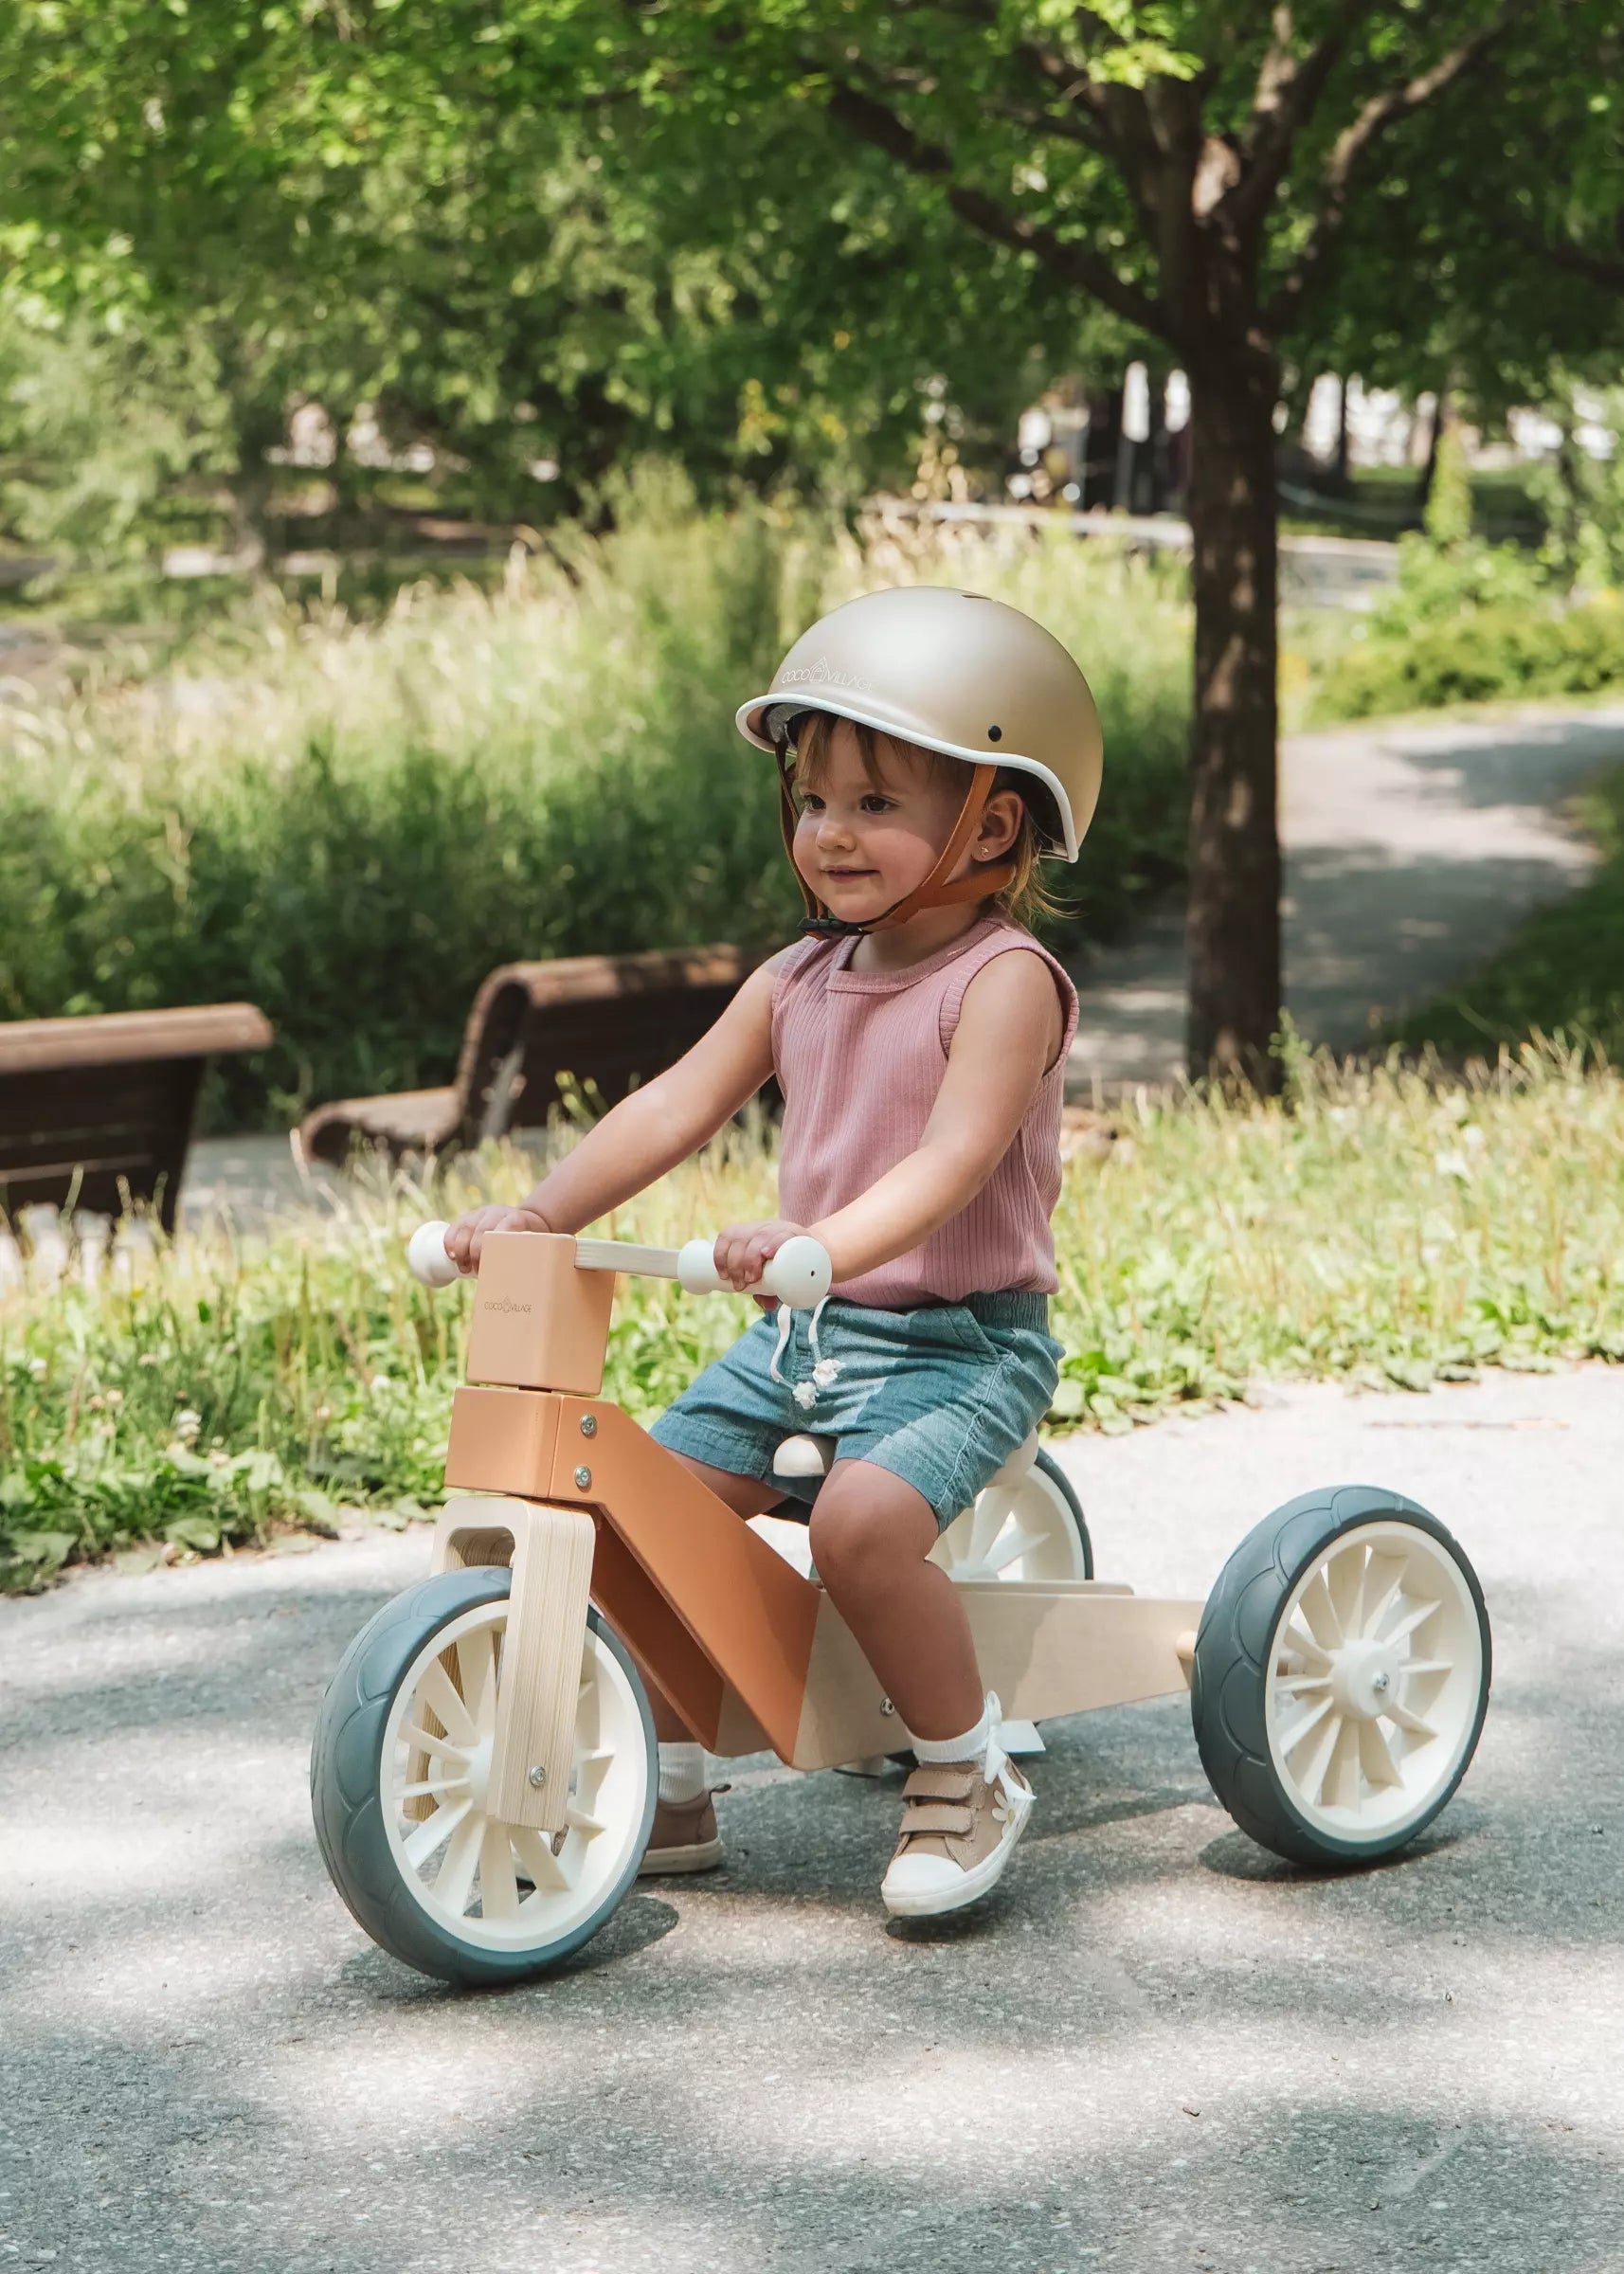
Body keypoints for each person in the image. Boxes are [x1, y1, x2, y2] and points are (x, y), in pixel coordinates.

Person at [443, 585, 1102, 1921]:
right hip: (802, 1336)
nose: (831, 832)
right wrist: (542, 1215)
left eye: (874, 801)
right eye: (811, 800)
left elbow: (951, 1161)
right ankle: (668, 1764)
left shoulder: (1003, 979)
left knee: (859, 1531)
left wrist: (816, 1239)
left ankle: (963, 1769)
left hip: (957, 1346)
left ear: (993, 821)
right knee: (630, 1500)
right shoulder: (798, 978)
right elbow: (670, 1106)